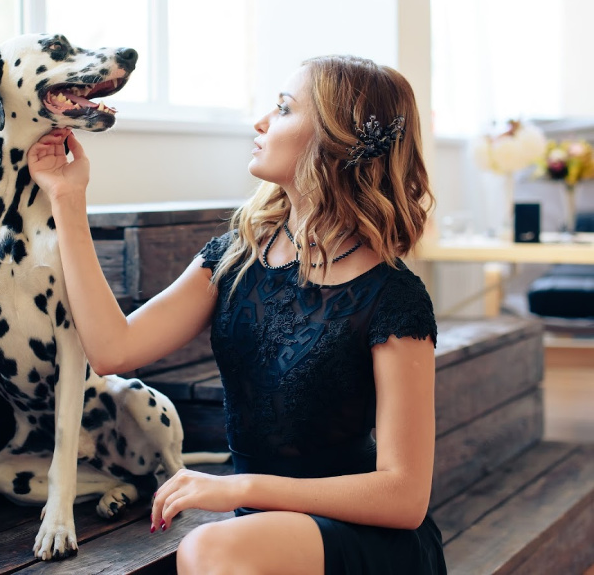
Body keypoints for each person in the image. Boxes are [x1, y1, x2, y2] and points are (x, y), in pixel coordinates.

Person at [28, 54, 447, 575]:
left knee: (208, 549)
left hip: (363, 538)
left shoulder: (393, 298)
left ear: (336, 139)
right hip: (262, 529)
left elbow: (404, 498)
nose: (261, 122)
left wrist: (236, 488)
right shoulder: (233, 258)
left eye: (284, 108)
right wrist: (68, 198)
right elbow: (113, 349)